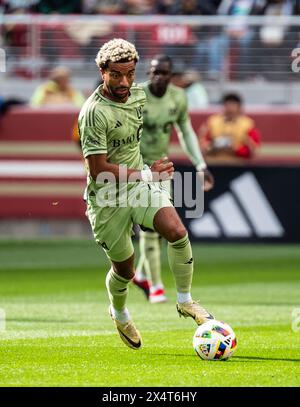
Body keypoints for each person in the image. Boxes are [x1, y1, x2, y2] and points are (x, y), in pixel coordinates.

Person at [78, 38, 214, 350]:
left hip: (139, 185)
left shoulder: (139, 95)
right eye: (116, 75)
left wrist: (152, 170)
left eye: (129, 74)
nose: (124, 82)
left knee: (177, 230)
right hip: (107, 197)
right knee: (124, 269)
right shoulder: (93, 113)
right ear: (102, 72)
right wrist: (146, 173)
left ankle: (185, 301)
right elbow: (98, 170)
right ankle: (120, 311)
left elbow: (164, 124)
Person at [134, 55, 213, 304]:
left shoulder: (178, 97)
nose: (159, 76)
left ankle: (143, 276)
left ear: (171, 75)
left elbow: (186, 131)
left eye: (164, 72)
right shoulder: (136, 95)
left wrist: (200, 164)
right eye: (155, 72)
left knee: (159, 227)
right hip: (136, 167)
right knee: (148, 228)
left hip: (162, 168)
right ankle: (155, 285)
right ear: (149, 73)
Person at [199, 93, 261, 160]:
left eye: (233, 104)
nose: (230, 108)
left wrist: (236, 149)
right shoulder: (213, 122)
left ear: (239, 107)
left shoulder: (247, 124)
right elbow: (203, 146)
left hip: (238, 164)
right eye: (228, 104)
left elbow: (253, 150)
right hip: (215, 162)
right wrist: (212, 147)